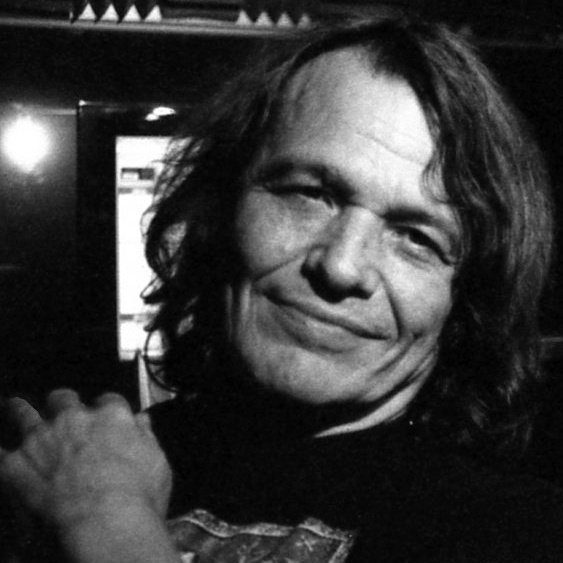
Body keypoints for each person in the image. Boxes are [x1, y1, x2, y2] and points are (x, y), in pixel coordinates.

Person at [1, 15, 562, 563]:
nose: (341, 266)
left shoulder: (517, 532)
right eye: (309, 194)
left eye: (416, 237)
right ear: (219, 209)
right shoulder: (70, 459)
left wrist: (102, 520)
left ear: (467, 302)